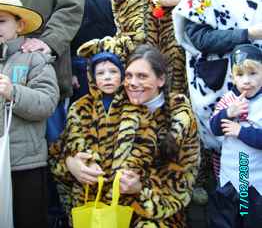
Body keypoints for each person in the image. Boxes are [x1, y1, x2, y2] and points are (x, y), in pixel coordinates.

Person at [49, 37, 200, 228]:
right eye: (128, 76)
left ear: (161, 79)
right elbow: (60, 152)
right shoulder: (112, 106)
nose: (132, 83)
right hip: (101, 216)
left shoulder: (179, 116)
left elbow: (181, 182)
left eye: (142, 76)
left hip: (150, 216)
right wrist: (70, 164)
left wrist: (140, 190)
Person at [173, 0, 261, 152]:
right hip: (219, 82)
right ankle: (233, 188)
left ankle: (249, 188)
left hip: (256, 79)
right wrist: (248, 34)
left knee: (254, 138)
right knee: (228, 146)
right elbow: (199, 39)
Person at [0, 0, 59, 228]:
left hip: (25, 165)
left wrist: (13, 92)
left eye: (1, 21)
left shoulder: (34, 60)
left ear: (20, 24)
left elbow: (46, 102)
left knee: (29, 219)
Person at [209, 44, 262, 227]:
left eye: (253, 73)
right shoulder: (228, 99)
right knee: (225, 218)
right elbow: (214, 127)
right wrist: (227, 113)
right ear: (232, 76)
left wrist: (241, 131)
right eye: (240, 75)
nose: (246, 81)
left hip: (253, 178)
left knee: (248, 215)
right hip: (229, 175)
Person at [71, 0, 116, 102]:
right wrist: (70, 72)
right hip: (80, 63)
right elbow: (65, 30)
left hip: (106, 57)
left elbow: (110, 21)